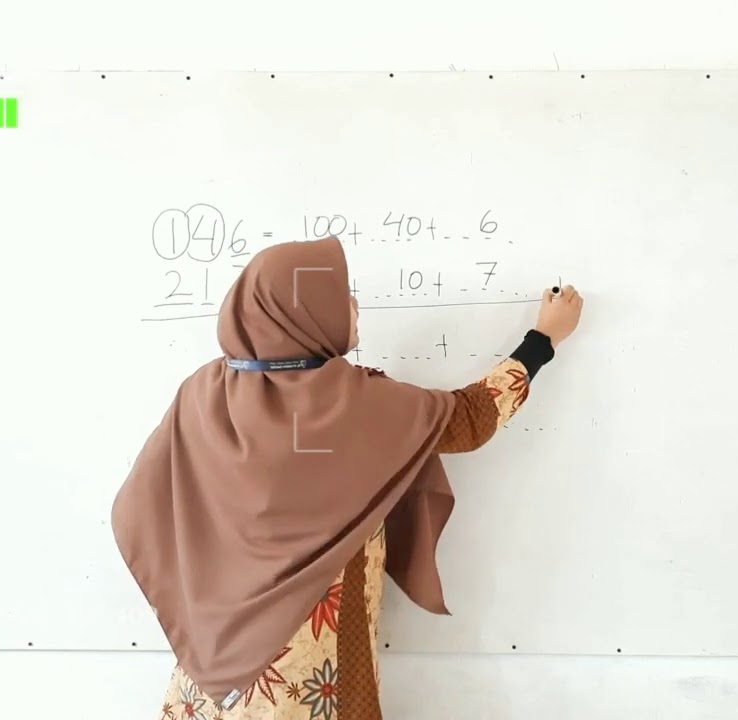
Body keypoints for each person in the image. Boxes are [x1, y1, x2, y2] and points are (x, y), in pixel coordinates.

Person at [111, 236, 583, 720]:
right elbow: (470, 419)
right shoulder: (351, 403)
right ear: (301, 314)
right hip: (310, 661)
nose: (355, 306)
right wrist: (542, 341)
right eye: (339, 297)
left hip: (217, 656)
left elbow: (137, 508)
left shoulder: (203, 391)